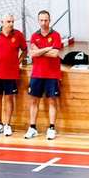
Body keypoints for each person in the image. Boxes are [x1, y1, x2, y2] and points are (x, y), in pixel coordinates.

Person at [24, 10, 63, 140]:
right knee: (34, 101)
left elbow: (55, 54)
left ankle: (51, 128)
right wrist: (47, 49)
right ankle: (32, 127)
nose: (43, 23)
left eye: (46, 20)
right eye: (41, 20)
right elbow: (32, 54)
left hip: (52, 74)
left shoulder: (56, 35)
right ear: (38, 21)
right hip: (37, 74)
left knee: (52, 101)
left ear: (49, 20)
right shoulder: (34, 36)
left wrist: (39, 51)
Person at [0, 14, 26, 136]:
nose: (11, 24)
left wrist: (17, 62)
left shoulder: (18, 35)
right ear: (2, 22)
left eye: (13, 22)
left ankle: (7, 125)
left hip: (11, 73)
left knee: (9, 98)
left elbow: (25, 50)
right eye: (8, 21)